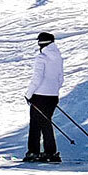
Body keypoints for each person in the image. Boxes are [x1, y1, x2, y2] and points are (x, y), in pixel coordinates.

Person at [24, 32, 64, 163]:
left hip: (39, 96)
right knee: (47, 123)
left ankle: (33, 152)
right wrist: (54, 91)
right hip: (53, 96)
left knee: (35, 124)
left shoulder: (41, 57)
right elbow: (60, 79)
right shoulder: (58, 57)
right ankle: (50, 152)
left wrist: (29, 94)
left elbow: (37, 78)